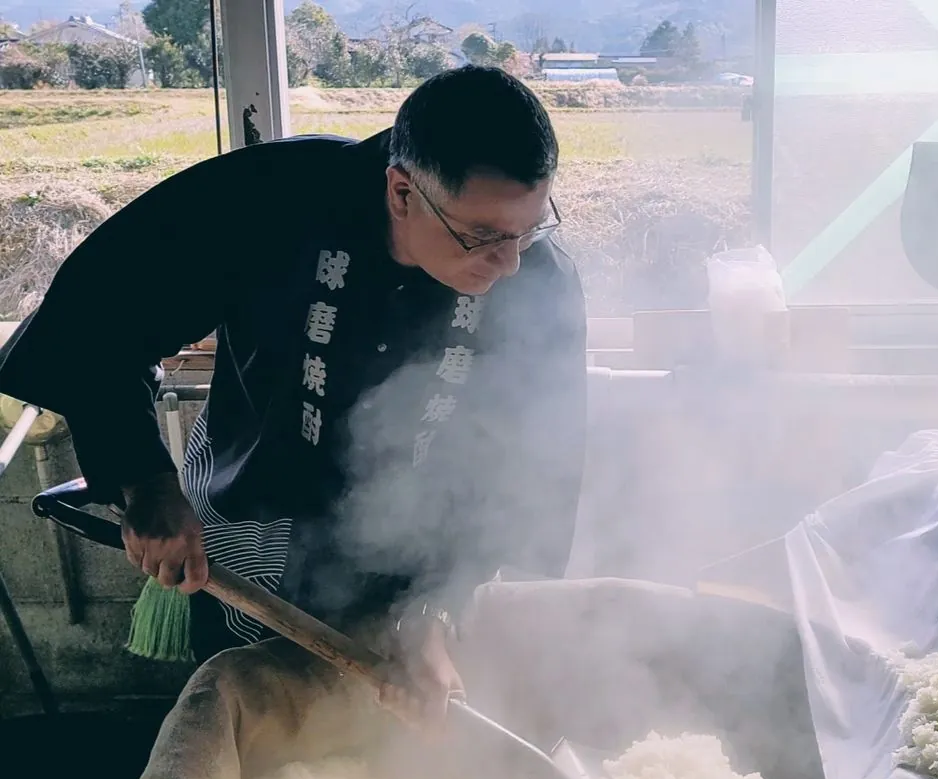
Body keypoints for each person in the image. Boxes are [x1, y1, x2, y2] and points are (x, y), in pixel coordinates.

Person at [0, 66, 588, 729]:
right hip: (254, 534)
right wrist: (144, 480)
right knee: (257, 727)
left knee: (397, 750)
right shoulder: (273, 200)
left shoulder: (537, 278)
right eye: (481, 237)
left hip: (418, 566)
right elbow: (97, 316)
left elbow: (534, 464)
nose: (508, 263)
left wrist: (440, 608)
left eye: (530, 228)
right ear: (402, 192)